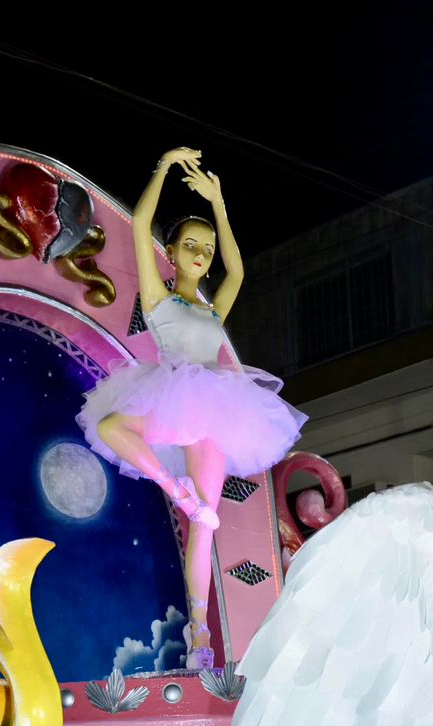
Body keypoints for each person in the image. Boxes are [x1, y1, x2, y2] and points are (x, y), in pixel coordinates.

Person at [77, 148, 307, 668]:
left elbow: (239, 272)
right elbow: (139, 224)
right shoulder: (161, 297)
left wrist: (220, 203)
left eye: (206, 248)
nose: (202, 255)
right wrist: (163, 166)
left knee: (206, 524)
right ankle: (171, 485)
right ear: (174, 254)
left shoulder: (211, 306)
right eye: (191, 246)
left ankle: (201, 638)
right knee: (114, 425)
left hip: (218, 408)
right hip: (174, 394)